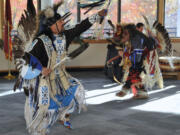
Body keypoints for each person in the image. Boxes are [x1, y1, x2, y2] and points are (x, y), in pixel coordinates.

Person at [14, 2, 107, 135]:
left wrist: (97, 15)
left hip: (61, 76)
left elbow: (80, 27)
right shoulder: (41, 41)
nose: (63, 23)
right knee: (45, 104)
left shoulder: (65, 36)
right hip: (44, 78)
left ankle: (63, 115)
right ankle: (40, 127)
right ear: (51, 25)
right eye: (60, 21)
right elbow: (27, 57)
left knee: (75, 90)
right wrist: (41, 68)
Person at [116, 24, 156, 99]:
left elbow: (137, 57)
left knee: (135, 71)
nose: (124, 35)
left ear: (130, 32)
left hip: (146, 56)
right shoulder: (134, 37)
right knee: (133, 71)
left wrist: (125, 54)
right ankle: (126, 90)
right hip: (141, 55)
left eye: (125, 33)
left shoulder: (137, 39)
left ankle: (140, 92)